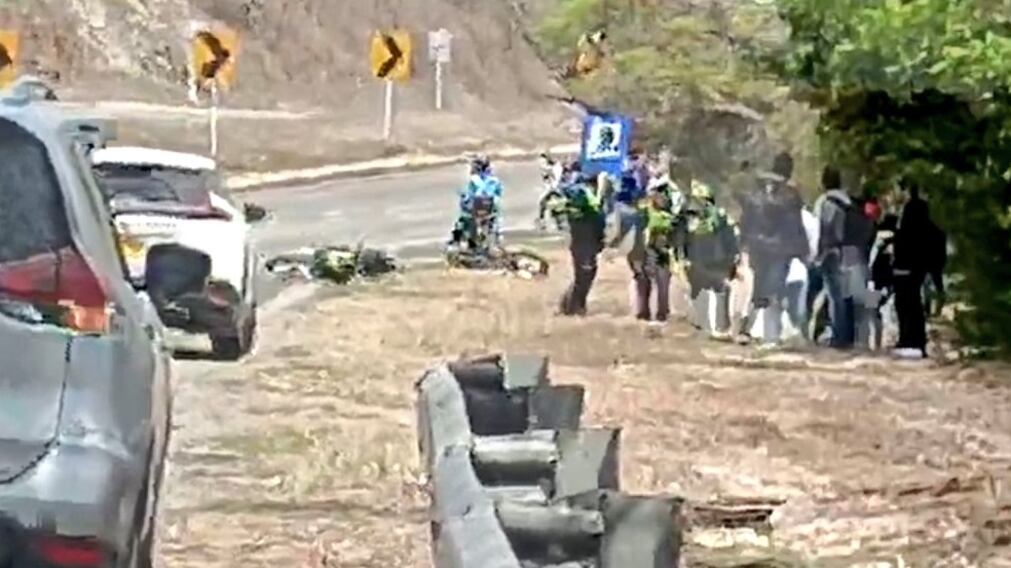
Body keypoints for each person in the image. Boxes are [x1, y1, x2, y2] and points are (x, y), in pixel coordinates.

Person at [738, 152, 810, 347]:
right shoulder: (790, 195)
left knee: (759, 290)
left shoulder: (759, 190)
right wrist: (803, 251)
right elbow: (795, 225)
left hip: (758, 247)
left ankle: (746, 329)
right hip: (779, 249)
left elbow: (747, 218)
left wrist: (744, 243)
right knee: (773, 292)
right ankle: (770, 336)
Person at [681, 180, 739, 337]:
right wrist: (683, 257)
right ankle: (703, 326)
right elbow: (683, 239)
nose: (698, 203)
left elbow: (730, 238)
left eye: (701, 199)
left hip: (717, 260)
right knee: (698, 292)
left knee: (722, 290)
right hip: (697, 260)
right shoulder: (689, 218)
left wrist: (733, 257)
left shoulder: (720, 217)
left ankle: (721, 327)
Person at [892, 188, 945, 359]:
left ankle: (906, 338)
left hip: (902, 273)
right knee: (915, 306)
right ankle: (917, 340)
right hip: (921, 272)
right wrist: (939, 285)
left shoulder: (902, 231)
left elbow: (896, 255)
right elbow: (938, 260)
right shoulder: (935, 232)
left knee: (903, 305)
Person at [558, 161, 607, 316]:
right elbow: (597, 211)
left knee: (585, 273)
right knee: (585, 274)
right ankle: (573, 306)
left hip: (585, 240)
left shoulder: (575, 193)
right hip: (584, 240)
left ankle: (574, 304)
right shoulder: (583, 194)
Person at [630, 179, 677, 322]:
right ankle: (649, 312)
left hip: (656, 247)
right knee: (649, 280)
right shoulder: (647, 210)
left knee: (657, 280)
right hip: (649, 247)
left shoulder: (648, 208)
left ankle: (656, 312)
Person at [450, 155, 504, 249]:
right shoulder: (494, 180)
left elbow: (471, 195)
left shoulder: (475, 180)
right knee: (493, 220)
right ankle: (495, 238)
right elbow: (498, 193)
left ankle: (457, 241)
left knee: (463, 219)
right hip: (491, 208)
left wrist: (463, 197)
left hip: (477, 208)